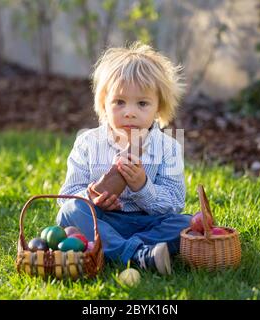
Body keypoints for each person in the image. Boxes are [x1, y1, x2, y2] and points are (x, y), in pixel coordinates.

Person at [56, 42, 191, 275]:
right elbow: (66, 195)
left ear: (159, 108)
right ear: (104, 105)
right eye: (119, 102)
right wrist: (91, 196)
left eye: (142, 103)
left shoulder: (167, 147)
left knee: (186, 223)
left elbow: (175, 202)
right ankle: (139, 254)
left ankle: (113, 248)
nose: (129, 112)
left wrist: (143, 187)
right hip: (103, 220)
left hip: (146, 223)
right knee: (70, 211)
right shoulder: (88, 143)